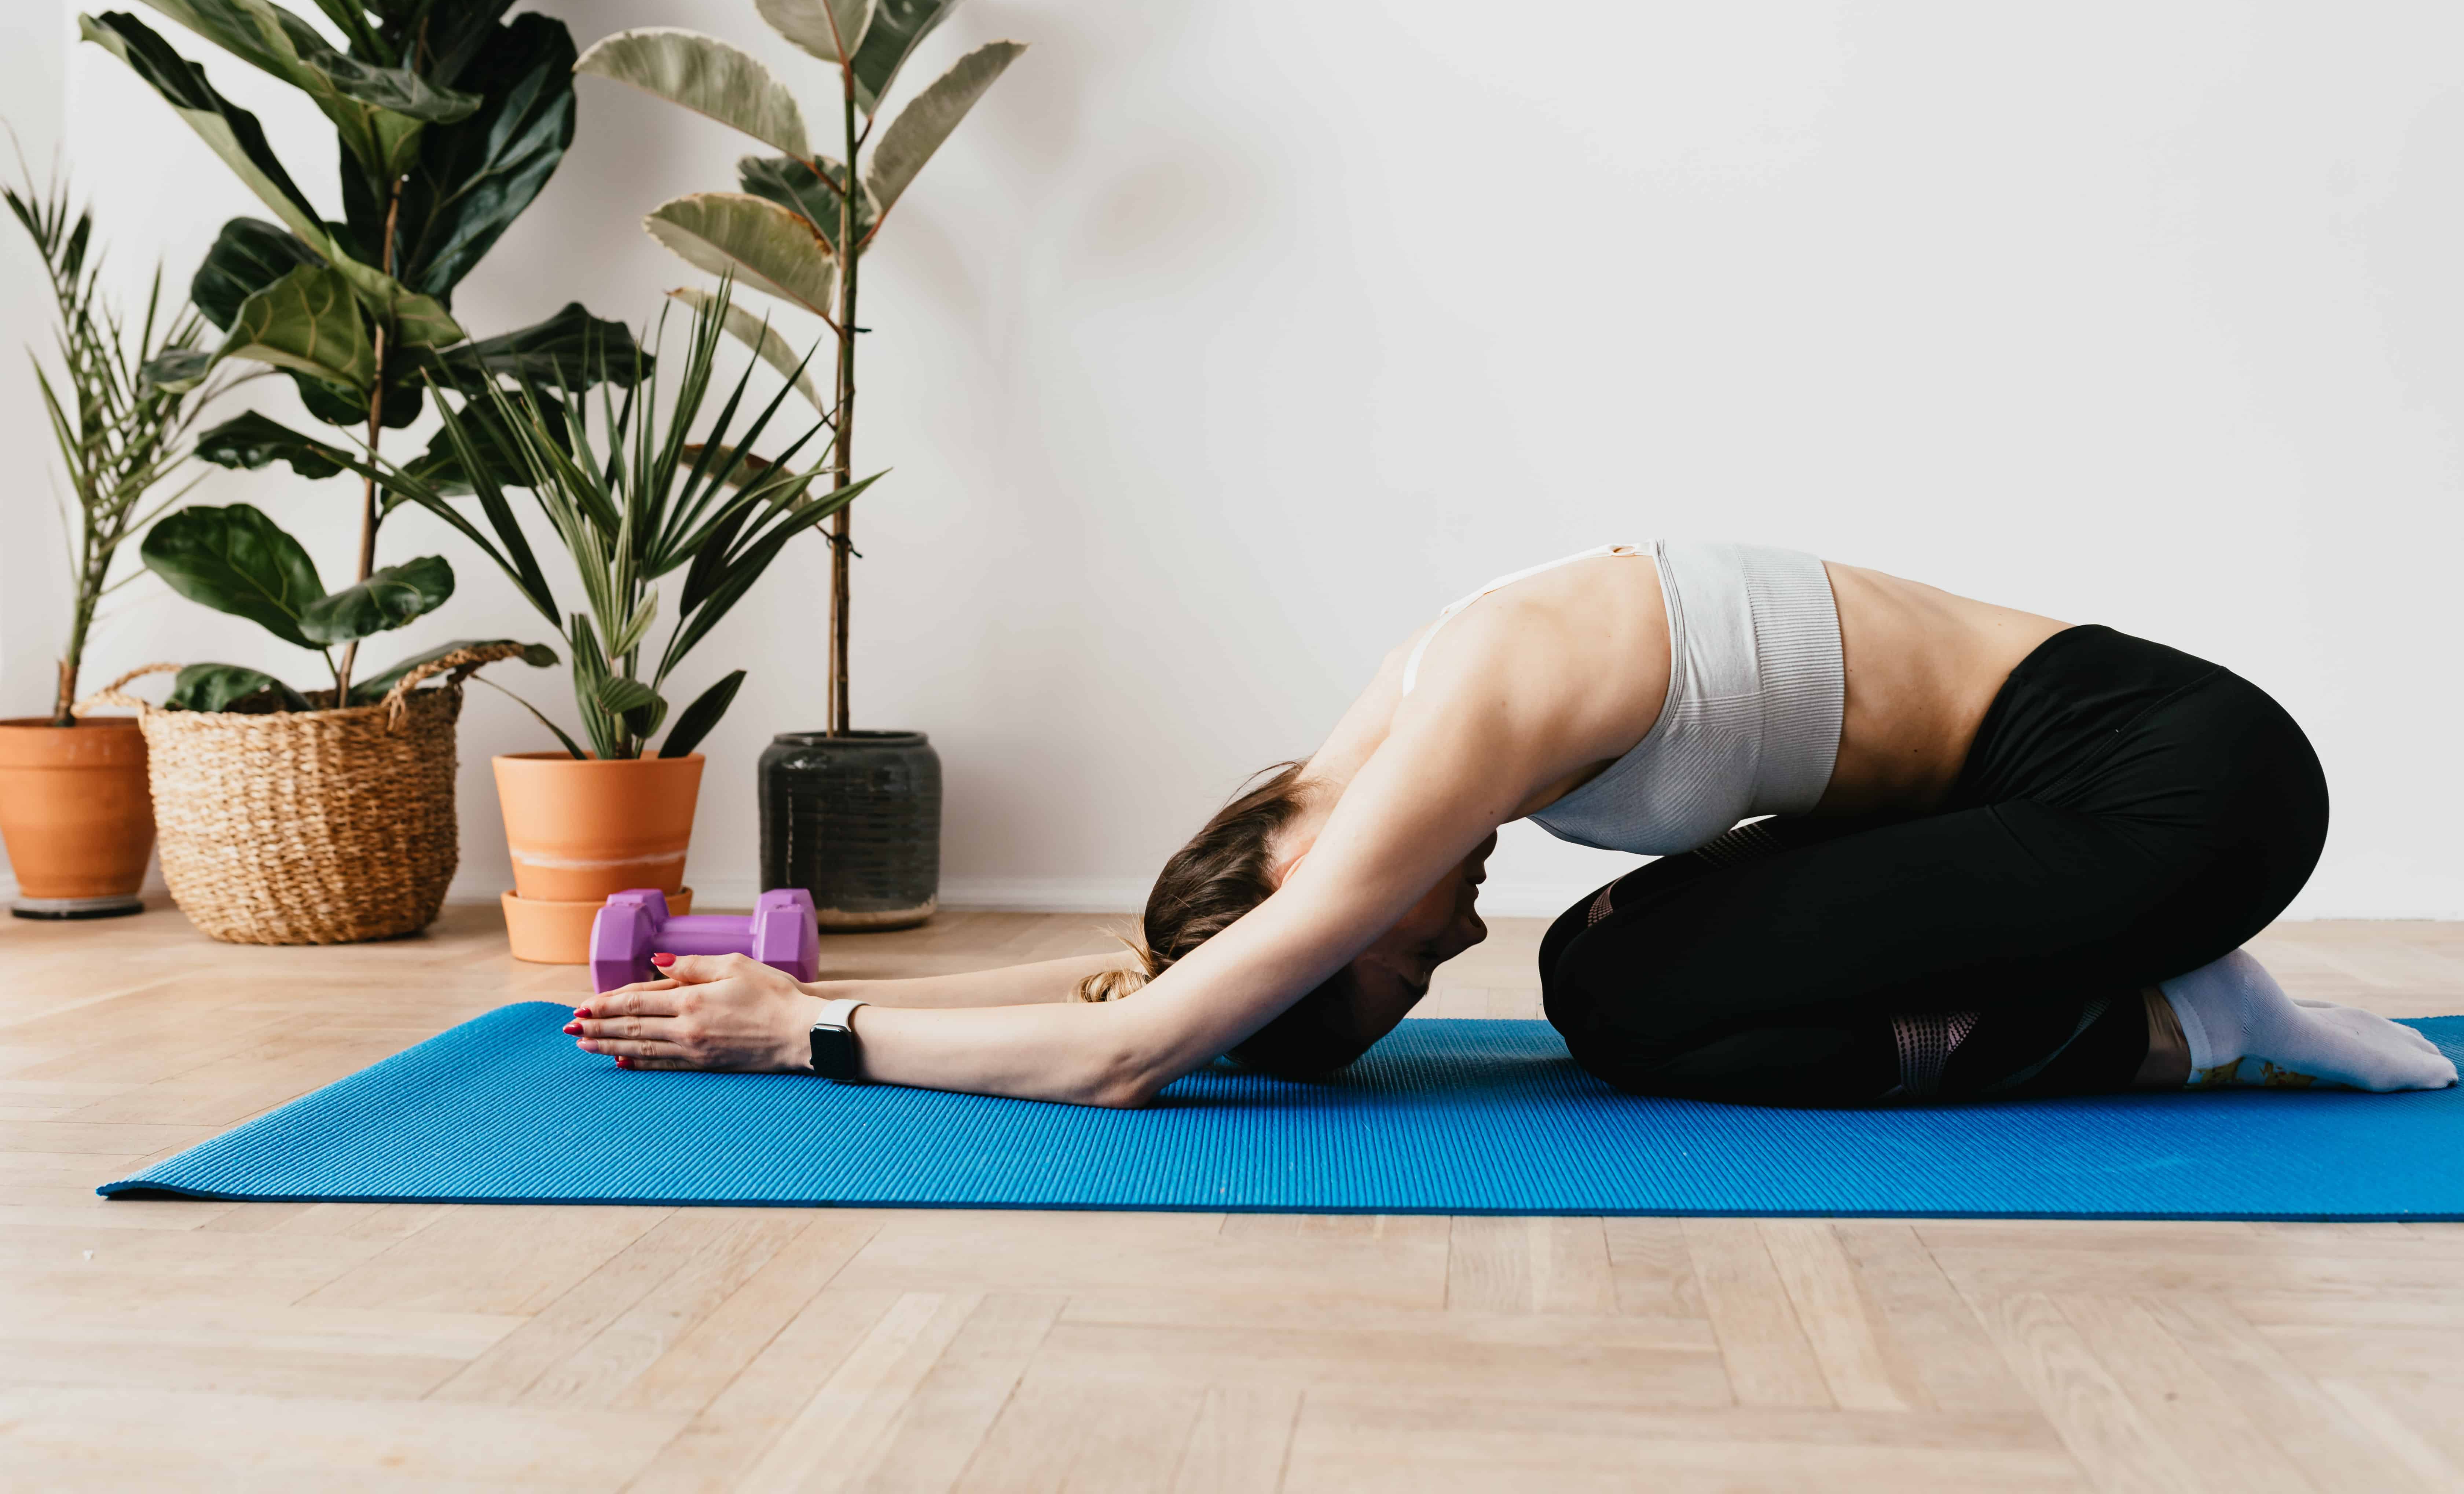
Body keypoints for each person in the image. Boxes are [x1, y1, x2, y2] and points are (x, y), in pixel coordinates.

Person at [569, 541, 2455, 1105]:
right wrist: (1044, 979)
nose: (1442, 935)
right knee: (1626, 973)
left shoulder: (1449, 725)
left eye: (1386, 958)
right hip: (2057, 801)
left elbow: (1139, 1048)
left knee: (1615, 996)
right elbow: (1143, 984)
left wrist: (802, 1029)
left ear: (1293, 879)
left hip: (2180, 783)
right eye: (1409, 974)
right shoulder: (1385, 723)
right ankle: (2172, 1010)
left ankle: (2214, 1007)